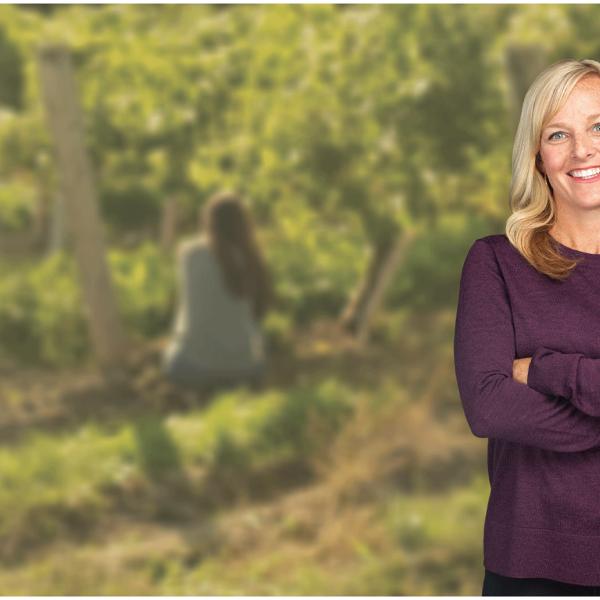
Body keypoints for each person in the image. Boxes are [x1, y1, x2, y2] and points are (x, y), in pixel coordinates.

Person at [454, 58, 600, 595]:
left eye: (598, 126)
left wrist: (547, 371)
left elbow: (516, 387)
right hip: (534, 563)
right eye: (558, 134)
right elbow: (488, 404)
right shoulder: (496, 262)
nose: (583, 150)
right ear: (538, 157)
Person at [163, 191, 274, 392]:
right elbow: (259, 314)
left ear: (207, 222)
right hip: (245, 368)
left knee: (172, 356)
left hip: (194, 368)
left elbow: (170, 246)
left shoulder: (189, 253)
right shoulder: (251, 259)